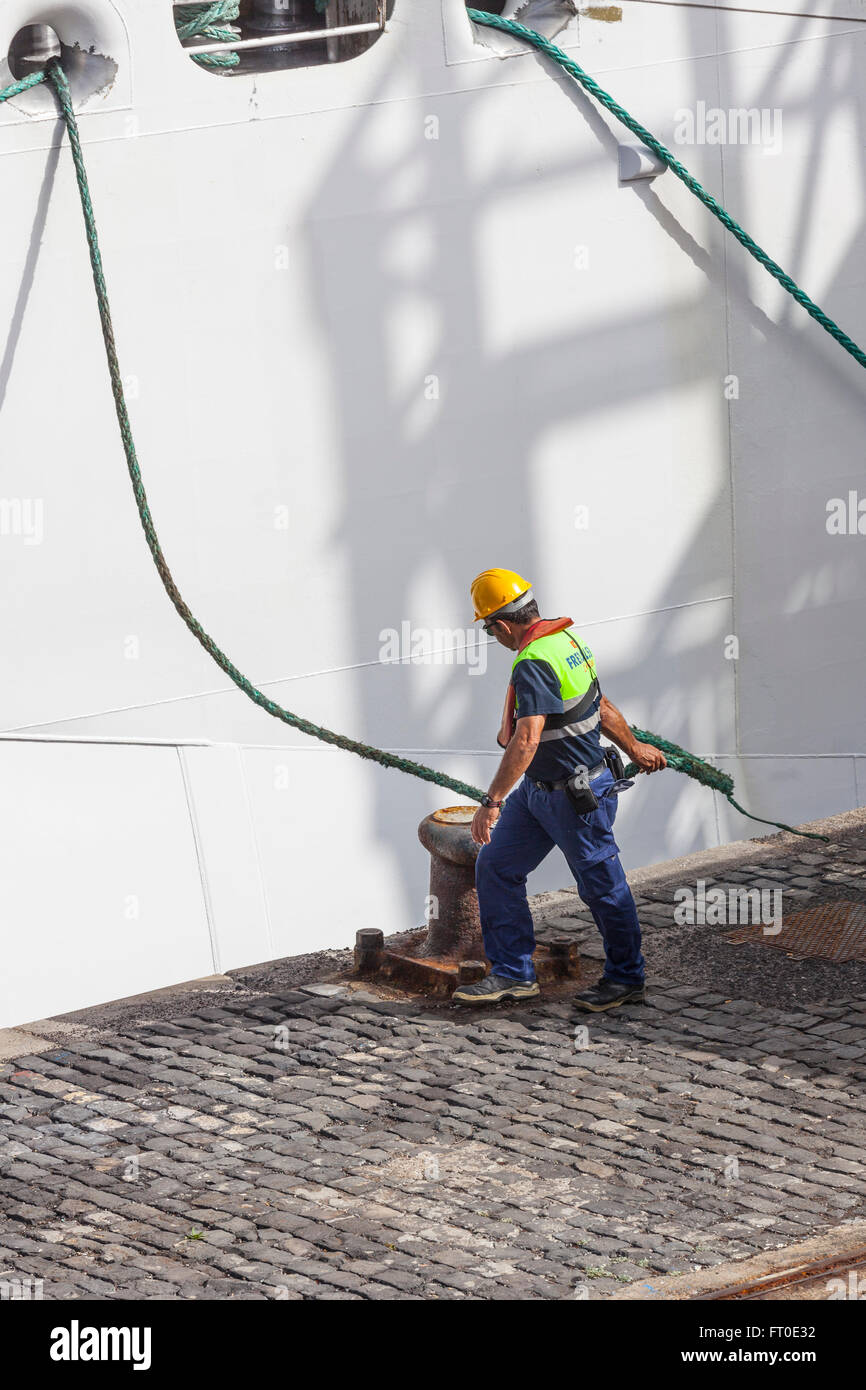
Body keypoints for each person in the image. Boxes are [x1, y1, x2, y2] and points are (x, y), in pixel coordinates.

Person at [452, 568, 666, 1009]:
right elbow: (600, 705)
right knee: (496, 866)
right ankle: (513, 973)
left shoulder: (532, 662)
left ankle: (627, 978)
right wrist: (635, 745)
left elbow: (527, 738)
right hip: (538, 793)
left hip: (572, 797)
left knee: (603, 886)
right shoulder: (568, 642)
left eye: (489, 628)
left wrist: (491, 802)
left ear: (503, 624)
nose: (493, 637)